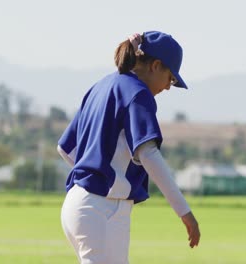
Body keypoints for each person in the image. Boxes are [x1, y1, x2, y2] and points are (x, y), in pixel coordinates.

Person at [57, 30, 200, 264]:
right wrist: (185, 212)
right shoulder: (138, 93)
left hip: (82, 203)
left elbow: (65, 149)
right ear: (155, 65)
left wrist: (97, 174)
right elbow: (149, 154)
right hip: (101, 208)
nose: (167, 87)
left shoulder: (102, 85)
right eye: (171, 79)